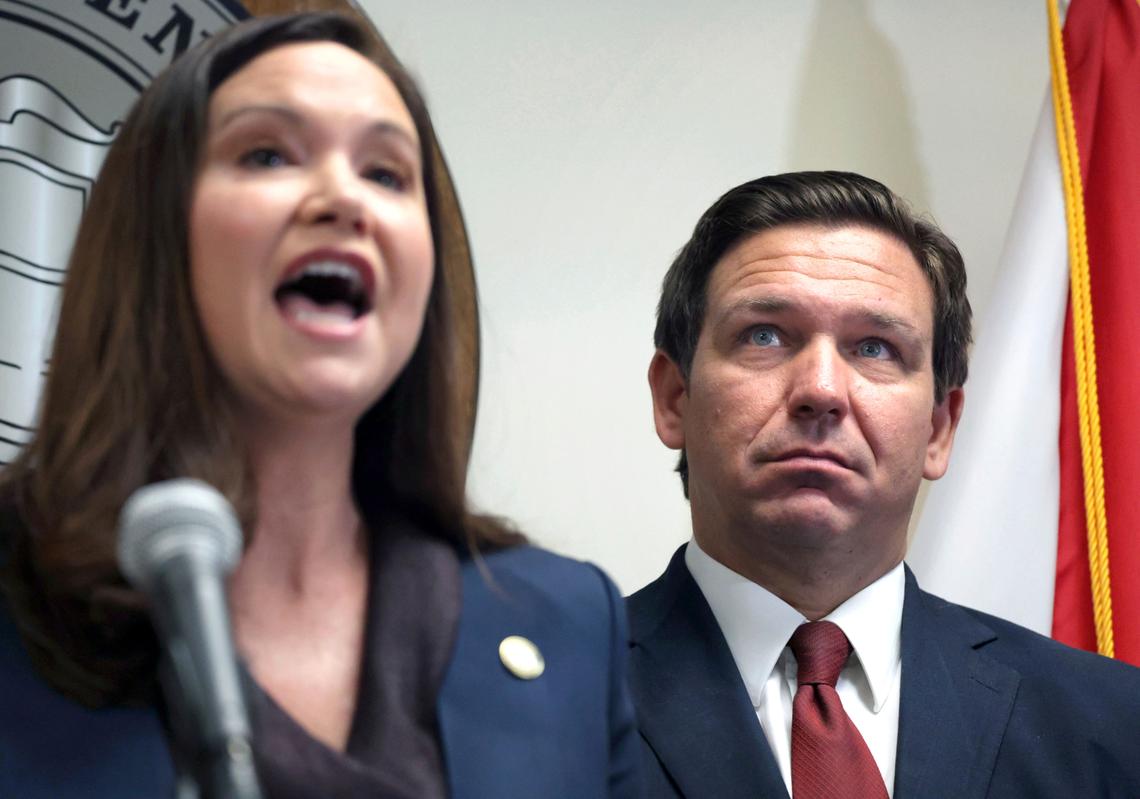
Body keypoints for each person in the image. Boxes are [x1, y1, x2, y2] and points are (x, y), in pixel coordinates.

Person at [0, 13, 641, 798]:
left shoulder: (571, 622)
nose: (345, 199)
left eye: (386, 174)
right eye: (267, 154)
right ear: (154, 231)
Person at [629, 170, 1140, 798]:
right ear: (674, 398)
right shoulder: (538, 702)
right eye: (764, 336)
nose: (820, 390)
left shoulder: (1113, 724)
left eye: (874, 348)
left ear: (938, 429)